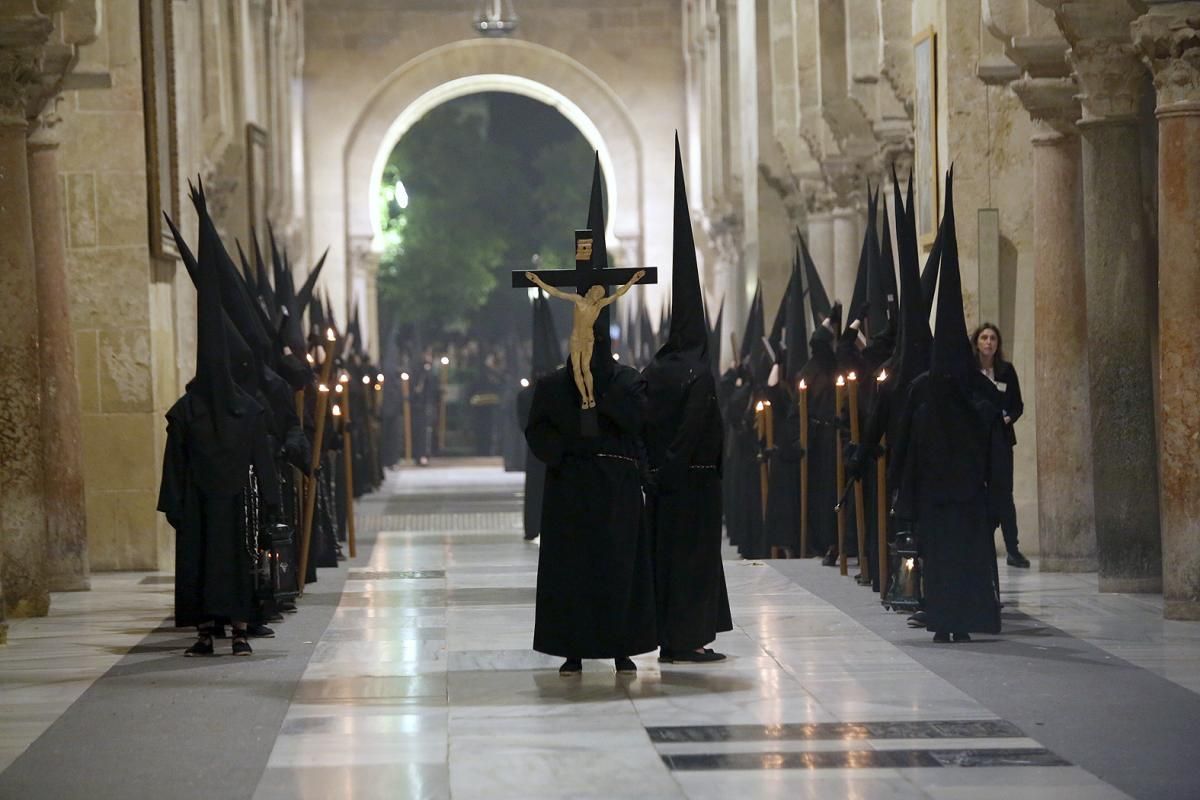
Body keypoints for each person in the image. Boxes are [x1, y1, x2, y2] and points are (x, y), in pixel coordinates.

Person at [524, 164, 657, 675]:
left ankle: (621, 644)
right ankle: (574, 647)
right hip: (574, 486)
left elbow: (639, 423)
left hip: (616, 486)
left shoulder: (626, 381)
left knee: (618, 568)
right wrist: (566, 450)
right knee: (573, 570)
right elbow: (539, 431)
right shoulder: (554, 386)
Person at [891, 169, 1001, 644]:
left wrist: (905, 496)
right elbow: (993, 448)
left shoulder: (926, 391)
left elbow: (909, 450)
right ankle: (960, 618)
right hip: (965, 499)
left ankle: (943, 620)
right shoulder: (974, 393)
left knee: (944, 557)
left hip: (940, 499)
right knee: (964, 559)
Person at [642, 139, 731, 664]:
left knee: (667, 559)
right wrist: (677, 468)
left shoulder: (656, 368)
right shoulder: (696, 373)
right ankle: (687, 640)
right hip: (693, 482)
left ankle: (672, 637)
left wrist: (654, 472)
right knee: (694, 561)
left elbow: (649, 424)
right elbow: (692, 428)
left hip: (666, 483)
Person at [972, 323, 1029, 568]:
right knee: (978, 492)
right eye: (984, 337)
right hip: (977, 440)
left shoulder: (1006, 371)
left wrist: (1008, 418)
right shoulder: (970, 372)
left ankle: (1013, 548)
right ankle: (980, 545)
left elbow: (1017, 404)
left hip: (1001, 439)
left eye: (993, 338)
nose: (988, 342)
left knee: (1004, 494)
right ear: (976, 343)